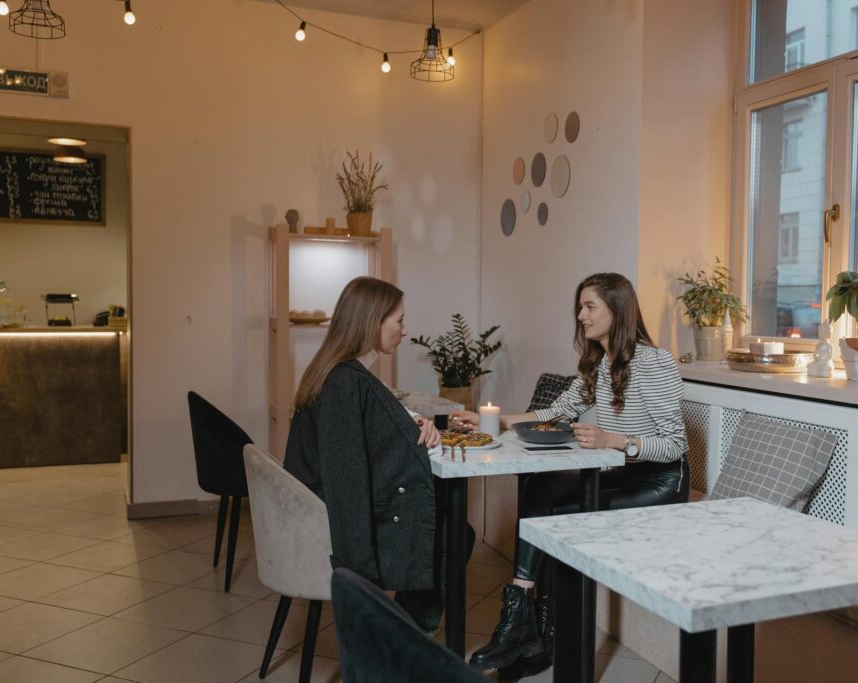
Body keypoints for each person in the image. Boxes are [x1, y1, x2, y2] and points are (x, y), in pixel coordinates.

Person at [452, 272, 689, 675]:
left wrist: (615, 440)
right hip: (617, 471)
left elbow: (675, 444)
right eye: (580, 306)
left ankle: (535, 633)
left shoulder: (654, 361)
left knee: (561, 512)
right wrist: (494, 421)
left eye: (589, 306)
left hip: (660, 480)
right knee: (542, 484)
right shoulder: (598, 362)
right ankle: (527, 620)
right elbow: (554, 412)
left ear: (617, 309)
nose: (580, 315)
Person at [283, 276, 448, 627]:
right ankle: (404, 637)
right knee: (447, 530)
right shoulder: (345, 382)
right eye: (399, 320)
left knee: (446, 523)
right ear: (374, 321)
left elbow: (361, 439)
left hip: (321, 517)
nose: (404, 331)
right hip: (339, 531)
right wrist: (358, 575)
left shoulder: (339, 372)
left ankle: (404, 634)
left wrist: (412, 425)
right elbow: (347, 480)